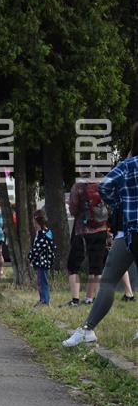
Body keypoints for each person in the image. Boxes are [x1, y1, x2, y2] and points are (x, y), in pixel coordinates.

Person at [63, 123, 138, 346]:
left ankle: (88, 329)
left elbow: (104, 187)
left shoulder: (128, 165)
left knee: (108, 281)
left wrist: (119, 204)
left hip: (130, 231)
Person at [65, 175, 109, 306]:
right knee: (97, 267)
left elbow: (73, 210)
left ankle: (75, 300)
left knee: (73, 266)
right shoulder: (104, 184)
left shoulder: (78, 186)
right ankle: (91, 298)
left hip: (82, 231)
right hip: (101, 229)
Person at [28, 210, 55, 306]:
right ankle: (43, 299)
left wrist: (30, 256)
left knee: (42, 282)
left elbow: (37, 248)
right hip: (45, 261)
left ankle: (44, 300)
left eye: (34, 221)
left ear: (37, 222)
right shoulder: (47, 232)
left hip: (42, 262)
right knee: (42, 281)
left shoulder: (42, 235)